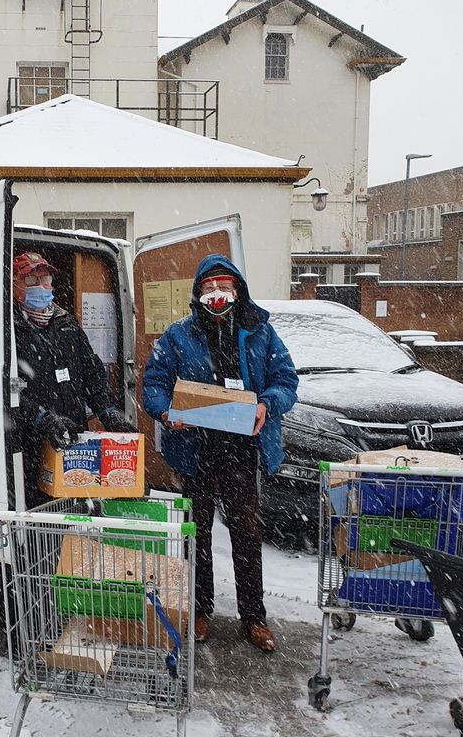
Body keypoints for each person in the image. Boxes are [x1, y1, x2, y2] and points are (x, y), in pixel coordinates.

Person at [142, 254, 298, 652]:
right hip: (196, 450)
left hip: (243, 449)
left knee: (247, 534)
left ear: (237, 289)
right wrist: (166, 413)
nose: (216, 293)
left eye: (223, 286)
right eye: (209, 287)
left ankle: (254, 617)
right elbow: (154, 383)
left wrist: (267, 403)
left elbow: (286, 380)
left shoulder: (260, 332)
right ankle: (200, 610)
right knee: (197, 534)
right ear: (198, 293)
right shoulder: (178, 335)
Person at [11, 251, 134, 509]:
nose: (42, 286)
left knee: (74, 515)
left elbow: (92, 373)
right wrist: (42, 418)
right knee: (40, 521)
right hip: (31, 446)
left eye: (45, 279)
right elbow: (6, 387)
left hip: (74, 440)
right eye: (32, 281)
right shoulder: (8, 328)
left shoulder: (67, 322)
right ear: (14, 285)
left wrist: (108, 411)